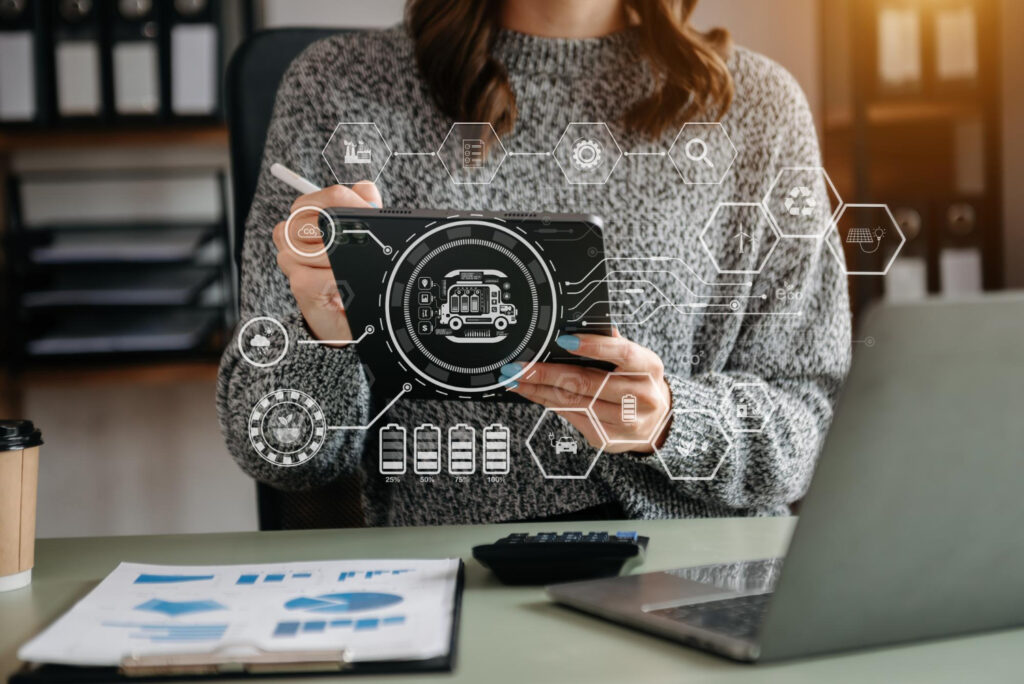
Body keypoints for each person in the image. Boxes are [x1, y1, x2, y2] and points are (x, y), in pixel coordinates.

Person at [217, 0, 851, 526]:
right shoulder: (337, 89)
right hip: (448, 582)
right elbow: (274, 447)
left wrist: (671, 421)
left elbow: (813, 418)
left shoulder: (758, 108)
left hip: (690, 581)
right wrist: (325, 338)